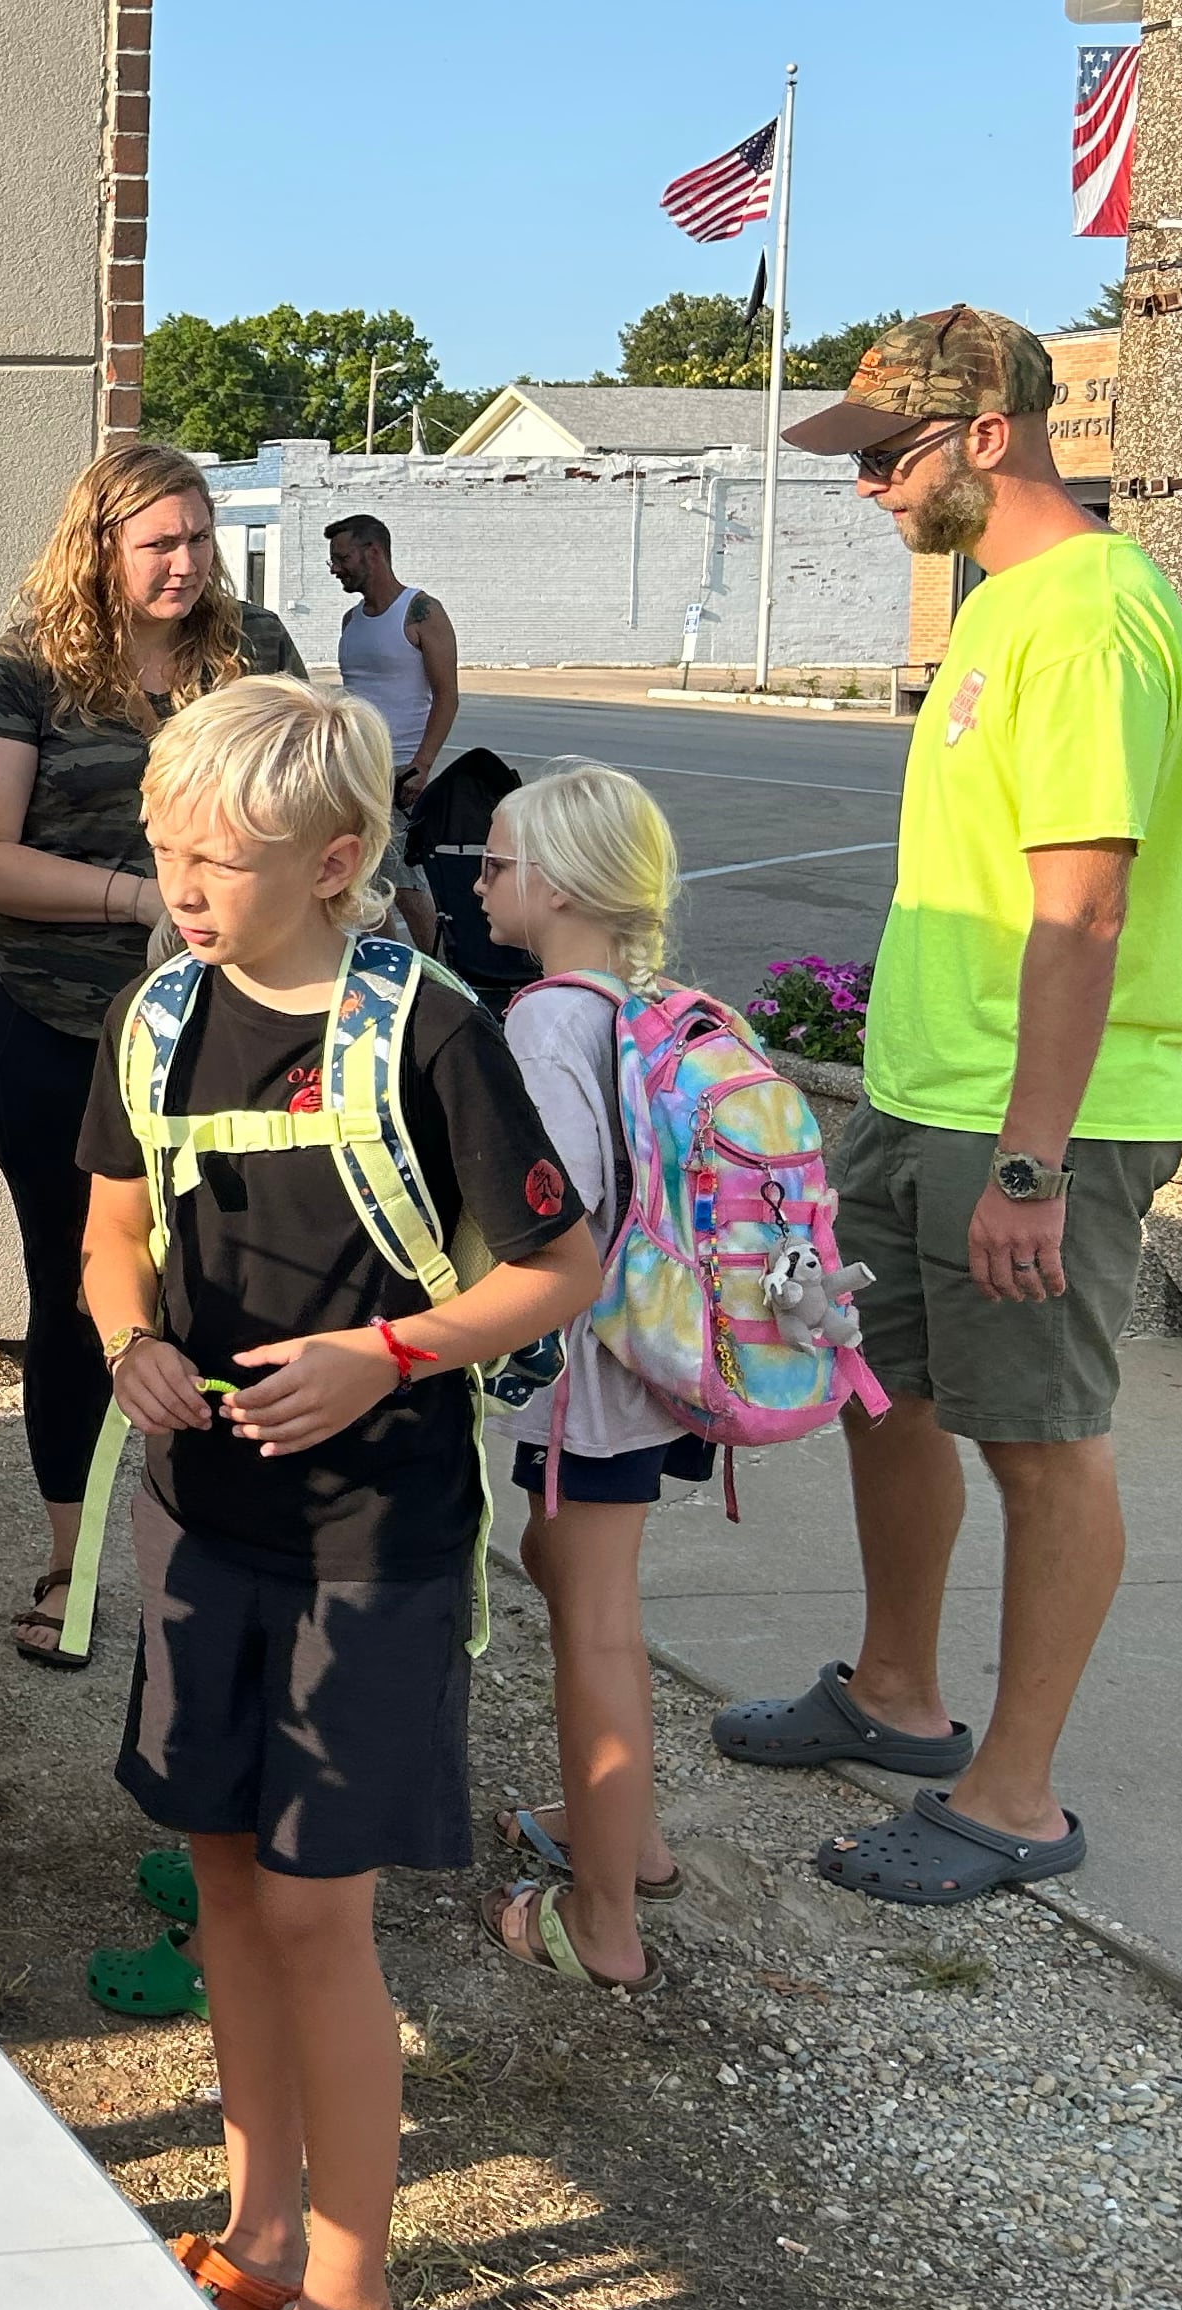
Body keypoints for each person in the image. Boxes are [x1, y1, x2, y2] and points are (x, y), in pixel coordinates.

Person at [79, 677, 597, 2310]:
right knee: (228, 1877)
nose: (181, 887)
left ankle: (353, 2283)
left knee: (317, 1908)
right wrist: (127, 1339)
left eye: (216, 858)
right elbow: (107, 1232)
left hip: (376, 1535)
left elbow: (560, 1263)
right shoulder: (154, 1017)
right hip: (201, 1517)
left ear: (338, 857)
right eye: (165, 850)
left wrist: (389, 1353)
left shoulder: (431, 1026)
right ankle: (260, 2230)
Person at [716, 307, 1182, 1902]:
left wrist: (1035, 1166)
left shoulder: (1092, 617)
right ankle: (898, 1696)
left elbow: (1084, 910)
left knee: (1039, 1437)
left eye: (885, 459)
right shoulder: (998, 609)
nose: (866, 494)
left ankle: (1017, 1799)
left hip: (1034, 1114)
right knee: (889, 1395)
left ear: (988, 433)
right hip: (928, 1087)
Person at [0, 443, 304, 1670]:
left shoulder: (253, 649)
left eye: (200, 539)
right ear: (99, 546)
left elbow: (330, 794)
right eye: (160, 543)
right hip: (53, 1030)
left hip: (233, 1036)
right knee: (80, 1286)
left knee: (232, 1283)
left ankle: (215, 1548)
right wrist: (134, 895)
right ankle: (68, 1557)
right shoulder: (31, 663)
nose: (187, 564)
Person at [473, 763, 714, 1994]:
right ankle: (626, 1828)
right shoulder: (653, 1002)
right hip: (662, 1353)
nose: (481, 879)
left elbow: (547, 1218)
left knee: (596, 1618)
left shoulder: (546, 1021)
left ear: (559, 884)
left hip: (595, 1374)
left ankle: (604, 1916)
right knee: (575, 1573)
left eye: (500, 862)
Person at [325, 514, 456, 950]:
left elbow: (447, 697)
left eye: (343, 558)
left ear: (373, 553)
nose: (336, 568)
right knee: (363, 878)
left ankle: (442, 971)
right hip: (354, 766)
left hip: (399, 769)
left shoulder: (421, 611)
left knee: (405, 882)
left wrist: (421, 766)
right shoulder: (351, 620)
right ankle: (385, 963)